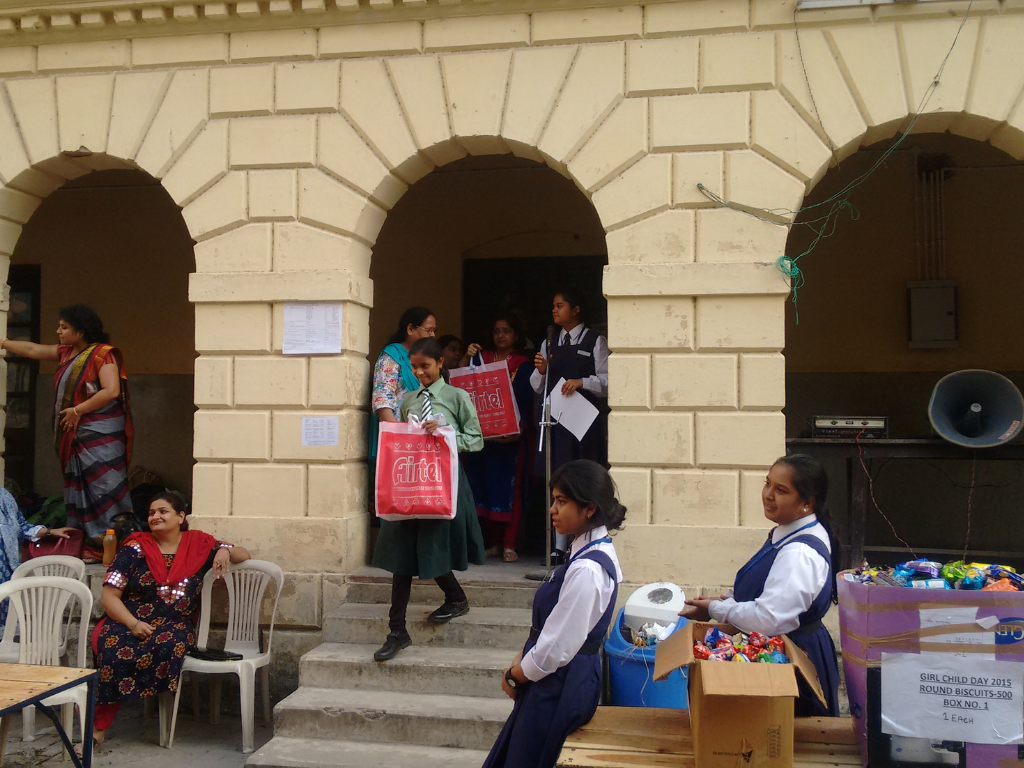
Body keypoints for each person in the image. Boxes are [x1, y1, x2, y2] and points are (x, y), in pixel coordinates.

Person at [484, 460, 625, 768]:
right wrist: (521, 659)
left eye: (562, 501)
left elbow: (557, 647)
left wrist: (516, 674)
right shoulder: (583, 552)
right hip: (551, 678)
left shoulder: (588, 569)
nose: (552, 509)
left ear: (589, 509)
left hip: (560, 683)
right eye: (553, 500)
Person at [88, 492, 250, 753]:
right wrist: (133, 624)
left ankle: (158, 715)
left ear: (181, 516)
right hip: (129, 620)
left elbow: (244, 553)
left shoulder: (198, 545)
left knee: (168, 646)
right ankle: (97, 729)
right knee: (114, 651)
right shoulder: (134, 547)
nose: (155, 516)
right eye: (151, 513)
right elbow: (109, 596)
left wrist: (224, 550)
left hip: (175, 625)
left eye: (163, 511)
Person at [683, 454, 841, 717]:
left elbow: (768, 618)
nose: (768, 494)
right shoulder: (787, 532)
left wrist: (716, 609)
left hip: (796, 662)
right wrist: (727, 602)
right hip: (781, 654)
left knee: (794, 744)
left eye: (781, 490)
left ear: (807, 503)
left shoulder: (799, 552)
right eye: (767, 484)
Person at [371, 338, 486, 662]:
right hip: (410, 482)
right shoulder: (407, 401)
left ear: (439, 363)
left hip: (442, 483)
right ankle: (397, 630)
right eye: (415, 367)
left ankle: (455, 597)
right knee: (401, 554)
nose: (420, 372)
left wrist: (446, 433)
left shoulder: (456, 397)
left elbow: (475, 440)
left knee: (432, 546)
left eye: (426, 366)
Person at [1, 305, 134, 554]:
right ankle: (86, 544)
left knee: (106, 487)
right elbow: (32, 349)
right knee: (79, 489)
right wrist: (4, 342)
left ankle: (117, 547)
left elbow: (111, 390)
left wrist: (77, 410)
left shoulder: (103, 355)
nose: (58, 331)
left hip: (101, 436)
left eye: (64, 327)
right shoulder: (67, 353)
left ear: (81, 331)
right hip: (76, 436)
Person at [530, 289, 609, 564]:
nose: (555, 310)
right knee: (558, 478)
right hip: (556, 422)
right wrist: (540, 371)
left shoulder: (595, 341)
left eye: (560, 305)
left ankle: (580, 540)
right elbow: (536, 386)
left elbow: (607, 383)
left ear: (575, 309)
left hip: (582, 424)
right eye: (553, 306)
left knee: (581, 481)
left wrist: (582, 382)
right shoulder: (549, 343)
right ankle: (557, 544)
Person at [459, 313, 534, 562]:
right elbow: (461, 384)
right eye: (496, 331)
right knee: (483, 486)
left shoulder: (524, 364)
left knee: (509, 490)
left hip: (511, 438)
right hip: (482, 437)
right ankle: (493, 542)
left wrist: (520, 428)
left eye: (506, 331)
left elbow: (527, 399)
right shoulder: (481, 358)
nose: (500, 335)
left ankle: (509, 544)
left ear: (515, 335)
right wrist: (467, 357)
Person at [369, 307, 438, 462]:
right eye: (428, 330)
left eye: (434, 330)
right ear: (410, 329)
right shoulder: (392, 356)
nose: (432, 335)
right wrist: (397, 437)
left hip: (424, 437)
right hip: (400, 438)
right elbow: (383, 401)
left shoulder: (427, 358)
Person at [0, 488, 74, 625]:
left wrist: (50, 531)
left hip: (6, 575)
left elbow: (22, 526)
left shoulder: (4, 496)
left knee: (5, 631)